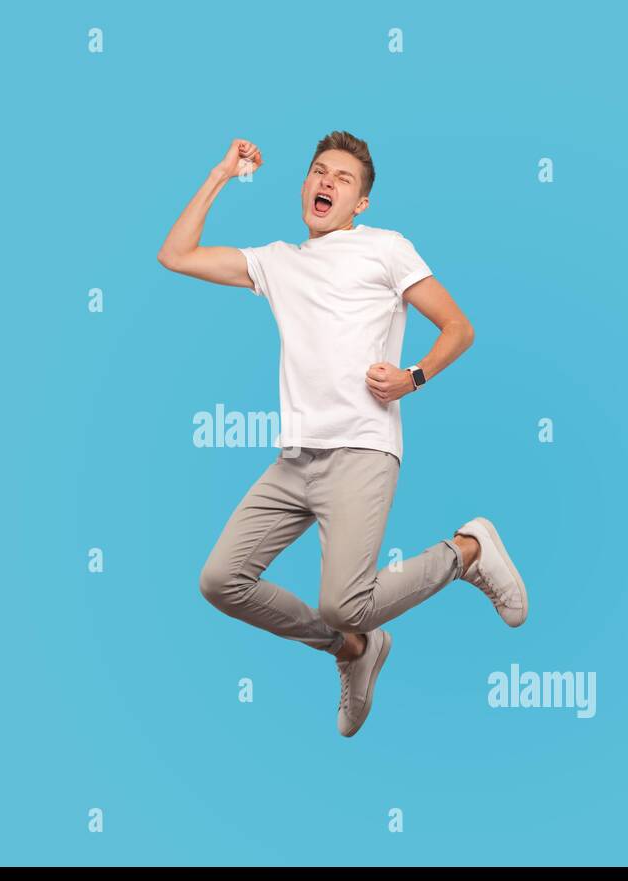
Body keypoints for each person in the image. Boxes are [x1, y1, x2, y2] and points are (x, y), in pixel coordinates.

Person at [158, 131, 529, 737]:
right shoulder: (276, 262)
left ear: (360, 204)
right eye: (318, 172)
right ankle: (353, 650)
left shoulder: (386, 249)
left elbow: (458, 327)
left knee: (344, 600)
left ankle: (467, 551)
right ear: (304, 184)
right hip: (296, 460)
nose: (326, 182)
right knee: (221, 582)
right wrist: (222, 173)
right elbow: (176, 254)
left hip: (361, 448)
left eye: (343, 179)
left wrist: (413, 377)